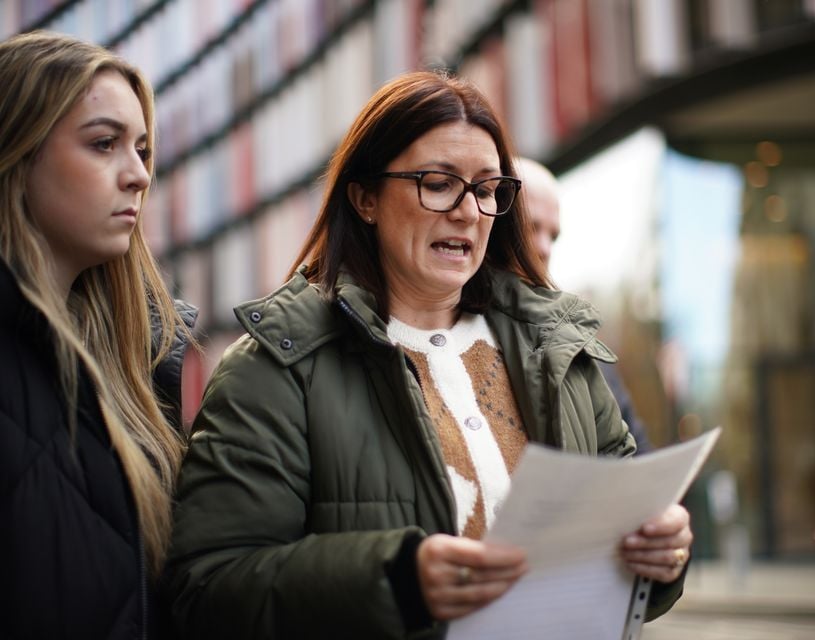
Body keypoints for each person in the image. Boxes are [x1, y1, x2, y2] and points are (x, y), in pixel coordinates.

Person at [165, 71, 691, 639]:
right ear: (364, 197)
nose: (468, 212)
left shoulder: (560, 350)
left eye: (488, 189)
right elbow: (207, 589)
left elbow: (624, 549)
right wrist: (395, 581)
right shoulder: (275, 367)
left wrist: (660, 557)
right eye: (439, 183)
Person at [0, 31, 196, 639]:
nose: (139, 175)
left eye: (142, 149)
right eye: (104, 144)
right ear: (16, 151)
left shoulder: (148, 366)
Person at [518, 156, 652, 452]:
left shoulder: (577, 343)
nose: (545, 247)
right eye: (531, 226)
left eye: (553, 235)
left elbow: (637, 451)